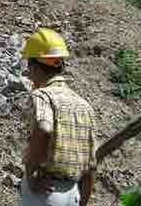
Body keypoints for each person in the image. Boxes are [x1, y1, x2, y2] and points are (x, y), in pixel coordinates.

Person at [20, 28, 97, 206]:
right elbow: (91, 165)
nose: (29, 74)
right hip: (73, 194)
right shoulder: (84, 105)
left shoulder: (42, 96)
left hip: (46, 193)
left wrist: (31, 174)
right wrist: (82, 202)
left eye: (28, 67)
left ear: (34, 66)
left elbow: (44, 128)